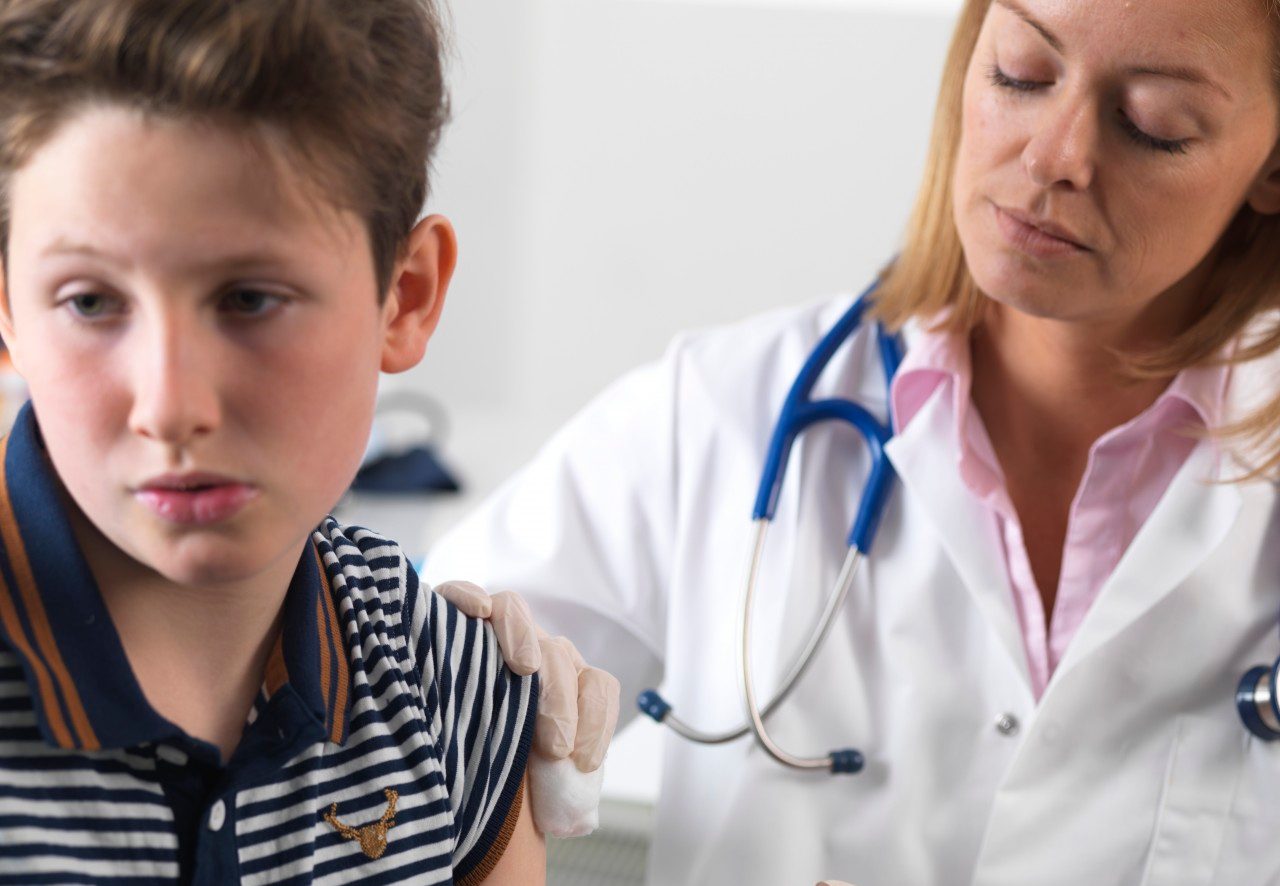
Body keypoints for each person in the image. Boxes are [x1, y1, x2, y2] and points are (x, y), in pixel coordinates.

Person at [424, 0, 1280, 882]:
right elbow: (384, 721)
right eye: (1022, 71)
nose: (1055, 157)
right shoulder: (722, 414)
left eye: (1153, 126)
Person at [0, 1, 576, 882]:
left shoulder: (450, 689)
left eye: (248, 299)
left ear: (407, 296)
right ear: (7, 307)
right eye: (89, 301)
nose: (170, 406)